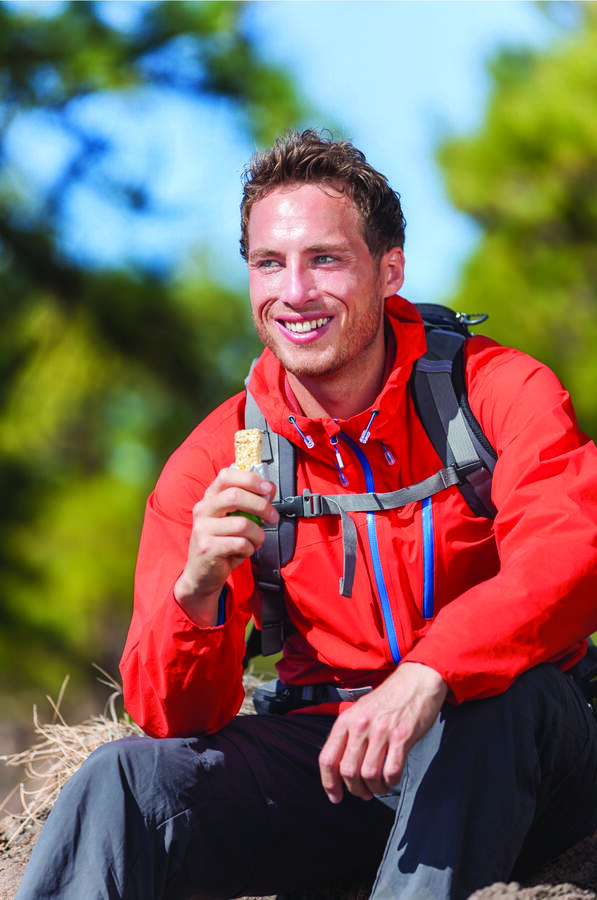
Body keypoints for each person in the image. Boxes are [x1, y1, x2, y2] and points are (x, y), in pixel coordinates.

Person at [16, 130, 597, 900]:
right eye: (269, 264)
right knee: (123, 779)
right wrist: (196, 595)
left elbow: (569, 561)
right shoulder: (215, 456)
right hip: (331, 761)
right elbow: (171, 717)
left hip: (517, 752)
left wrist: (433, 669)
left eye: (324, 259)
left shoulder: (496, 392)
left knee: (491, 705)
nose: (294, 292)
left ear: (389, 270)